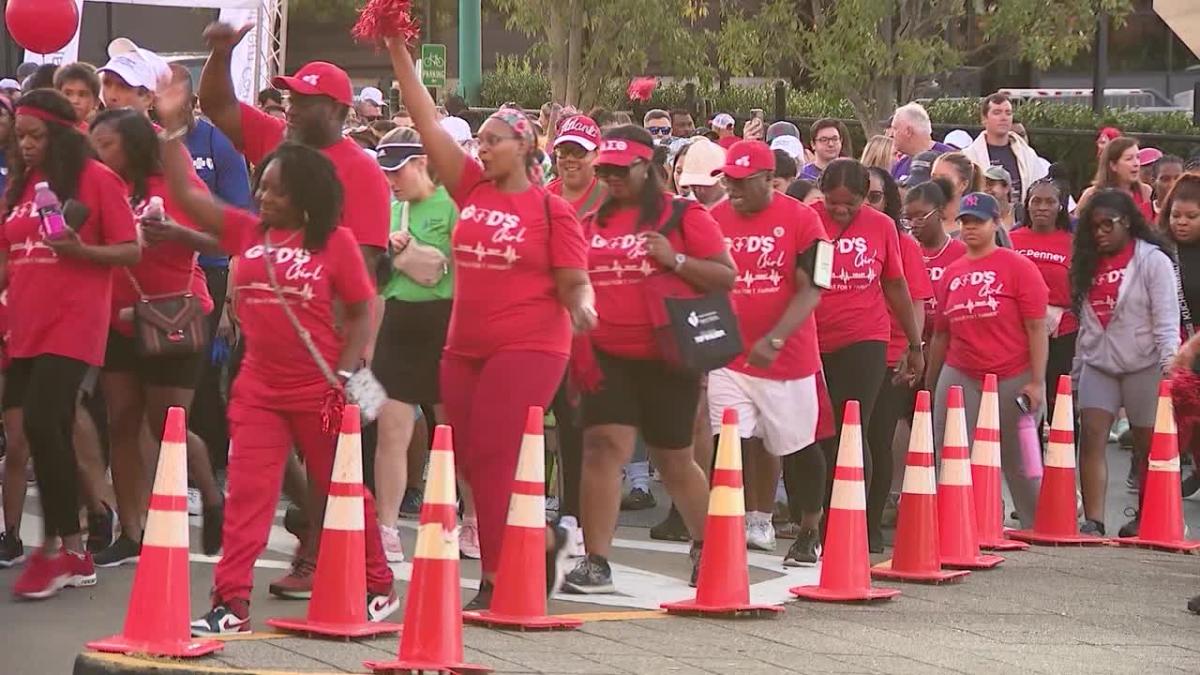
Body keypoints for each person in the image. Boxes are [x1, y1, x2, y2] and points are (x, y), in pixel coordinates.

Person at [154, 80, 399, 630]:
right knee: (248, 496)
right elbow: (191, 197)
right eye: (261, 187)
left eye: (275, 191)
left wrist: (345, 370)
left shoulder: (334, 242)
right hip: (259, 389)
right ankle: (230, 603)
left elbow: (361, 309)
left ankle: (380, 584)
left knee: (342, 489)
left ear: (307, 198)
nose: (262, 197)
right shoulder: (249, 232)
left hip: (320, 390)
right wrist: (172, 128)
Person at [386, 38, 593, 610]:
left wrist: (581, 306)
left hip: (530, 346)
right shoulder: (471, 186)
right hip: (464, 345)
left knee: (497, 454)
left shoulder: (553, 210)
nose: (481, 148)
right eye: (478, 141)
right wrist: (400, 55)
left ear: (524, 146)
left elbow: (573, 279)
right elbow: (425, 120)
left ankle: (500, 579)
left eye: (492, 141)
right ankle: (538, 548)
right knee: (472, 460)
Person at [200, 22, 391, 596]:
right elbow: (216, 103)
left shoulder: (360, 172)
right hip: (274, 346)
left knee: (347, 456)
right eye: (287, 97)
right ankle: (310, 537)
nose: (289, 108)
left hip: (336, 344)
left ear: (337, 111)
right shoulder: (279, 152)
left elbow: (367, 268)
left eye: (302, 102)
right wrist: (219, 54)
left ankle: (346, 560)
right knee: (275, 449)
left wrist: (348, 357)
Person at [564, 125, 735, 593]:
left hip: (667, 357)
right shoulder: (593, 222)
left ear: (648, 168)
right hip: (606, 356)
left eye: (622, 170)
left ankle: (709, 545)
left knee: (674, 459)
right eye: (606, 171)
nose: (612, 178)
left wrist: (675, 261)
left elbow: (725, 276)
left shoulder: (684, 216)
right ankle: (596, 559)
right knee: (601, 450)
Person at [2, 90, 140, 599]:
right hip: (23, 327)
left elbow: (131, 247)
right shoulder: (22, 187)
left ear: (61, 135)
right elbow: (7, 253)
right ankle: (75, 545)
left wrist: (80, 248)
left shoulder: (97, 180)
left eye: (36, 136)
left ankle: (64, 549)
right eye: (20, 136)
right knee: (31, 431)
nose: (27, 145)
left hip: (74, 325)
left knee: (42, 420)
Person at [88, 107, 227, 564]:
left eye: (107, 145)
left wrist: (175, 232)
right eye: (95, 145)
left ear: (132, 145)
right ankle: (131, 531)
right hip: (115, 318)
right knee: (121, 421)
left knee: (167, 422)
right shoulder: (99, 186)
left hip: (175, 315)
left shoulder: (177, 183)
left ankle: (209, 492)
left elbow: (221, 239)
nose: (99, 153)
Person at [706, 141, 829, 563]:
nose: (733, 189)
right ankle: (721, 533)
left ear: (768, 180)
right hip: (730, 358)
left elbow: (813, 286)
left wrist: (776, 337)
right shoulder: (713, 218)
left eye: (742, 182)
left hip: (787, 361)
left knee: (797, 448)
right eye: (728, 181)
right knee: (727, 444)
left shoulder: (804, 220)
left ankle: (810, 529)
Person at [812, 159, 923, 532]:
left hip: (865, 338)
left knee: (853, 427)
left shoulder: (882, 226)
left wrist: (913, 342)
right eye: (833, 202)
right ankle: (817, 517)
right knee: (819, 432)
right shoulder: (807, 218)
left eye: (851, 203)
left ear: (866, 197)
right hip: (813, 338)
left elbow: (895, 284)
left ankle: (862, 525)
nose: (841, 210)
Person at [926, 192, 1048, 528]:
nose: (969, 228)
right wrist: (931, 380)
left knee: (1019, 459)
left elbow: (1036, 327)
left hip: (1012, 372)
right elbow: (940, 333)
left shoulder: (1019, 267)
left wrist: (1037, 381)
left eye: (977, 221)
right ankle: (958, 523)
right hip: (962, 369)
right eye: (964, 222)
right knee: (949, 448)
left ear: (996, 223)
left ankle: (1037, 525)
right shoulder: (952, 273)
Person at [1070, 190, 1180, 537]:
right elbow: (1084, 322)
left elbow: (1166, 319)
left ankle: (1147, 515)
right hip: (1098, 362)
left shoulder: (1153, 261)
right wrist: (1075, 371)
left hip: (1144, 363)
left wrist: (1170, 367)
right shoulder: (1085, 263)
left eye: (1108, 224)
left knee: (1148, 445)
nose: (1100, 232)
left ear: (1128, 223)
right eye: (1093, 226)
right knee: (1091, 437)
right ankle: (1094, 519)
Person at [370, 127, 457, 562]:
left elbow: (467, 271)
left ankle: (467, 520)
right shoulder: (389, 211)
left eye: (397, 170)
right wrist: (389, 251)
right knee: (392, 430)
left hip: (446, 321)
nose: (392, 180)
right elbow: (374, 279)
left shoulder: (453, 206)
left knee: (454, 430)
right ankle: (386, 527)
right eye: (385, 171)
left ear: (422, 163)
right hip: (399, 321)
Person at [172, 63, 252, 477]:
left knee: (203, 375)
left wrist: (228, 302)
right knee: (170, 374)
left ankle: (213, 462)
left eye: (175, 96)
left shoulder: (217, 142)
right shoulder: (148, 141)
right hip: (165, 273)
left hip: (212, 271)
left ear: (192, 102)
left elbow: (241, 216)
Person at [863, 167, 932, 551]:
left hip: (890, 351)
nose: (869, 203)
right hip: (842, 351)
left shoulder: (903, 243)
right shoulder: (835, 233)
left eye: (876, 197)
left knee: (877, 438)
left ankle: (871, 526)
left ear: (889, 201)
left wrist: (912, 348)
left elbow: (916, 299)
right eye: (865, 195)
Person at [1010, 178, 1076, 449]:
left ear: (1061, 206)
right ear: (1027, 204)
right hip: (1020, 331)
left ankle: (1065, 475)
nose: (1042, 207)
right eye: (1036, 201)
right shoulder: (1012, 238)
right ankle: (1031, 476)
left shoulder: (1073, 242)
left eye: (1050, 201)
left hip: (1062, 330)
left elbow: (1082, 286)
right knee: (1027, 405)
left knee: (1061, 404)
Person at [1163, 175, 1200, 495]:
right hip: (1173, 348)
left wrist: (1193, 345)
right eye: (1176, 216)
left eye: (1192, 217)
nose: (1182, 223)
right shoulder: (1162, 248)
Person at [962, 93, 1047, 203]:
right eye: (997, 113)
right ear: (984, 119)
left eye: (1008, 113)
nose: (1003, 118)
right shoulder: (969, 156)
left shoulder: (1027, 154)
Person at [1080, 137, 1154, 223]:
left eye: (1137, 157)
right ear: (1113, 165)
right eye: (1129, 159)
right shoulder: (1091, 194)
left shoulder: (1146, 191)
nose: (1136, 163)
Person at [889, 103, 954, 182]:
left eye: (895, 129)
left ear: (908, 131)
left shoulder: (950, 160)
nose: (891, 135)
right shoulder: (899, 165)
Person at [676, 138, 726, 208]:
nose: (697, 189)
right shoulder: (682, 208)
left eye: (703, 184)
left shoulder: (739, 207)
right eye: (693, 183)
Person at [53, 63, 100, 130]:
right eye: (67, 94)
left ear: (96, 101)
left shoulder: (92, 135)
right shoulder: (45, 129)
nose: (75, 101)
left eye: (82, 95)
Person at [983, 165, 1017, 230]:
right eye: (984, 184)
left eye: (990, 184)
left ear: (1006, 188)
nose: (986, 189)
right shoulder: (980, 215)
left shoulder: (1020, 214)